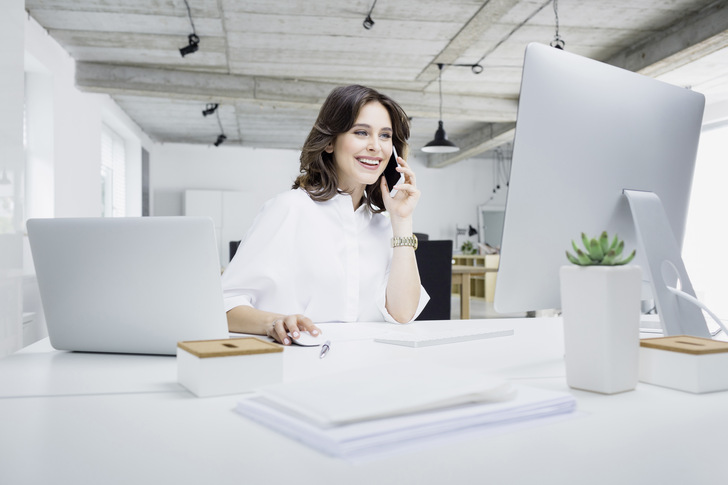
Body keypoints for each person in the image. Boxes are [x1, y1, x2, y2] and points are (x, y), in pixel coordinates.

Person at [221, 84, 429, 345]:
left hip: (367, 369)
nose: (376, 146)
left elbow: (402, 314)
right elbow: (223, 303)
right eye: (361, 132)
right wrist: (274, 322)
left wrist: (402, 221)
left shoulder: (384, 227)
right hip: (297, 367)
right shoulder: (289, 209)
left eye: (385, 136)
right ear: (330, 142)